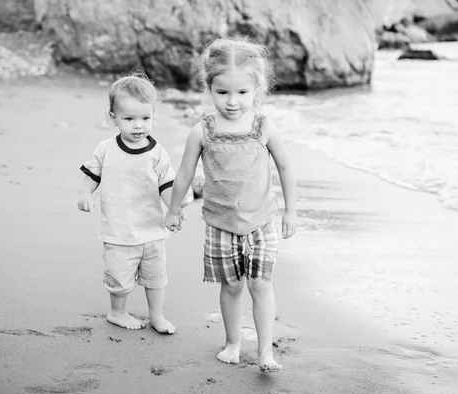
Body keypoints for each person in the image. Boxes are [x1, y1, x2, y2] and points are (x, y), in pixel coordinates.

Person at [164, 37, 298, 372]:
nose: (232, 101)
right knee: (232, 285)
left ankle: (266, 351)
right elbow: (183, 175)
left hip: (262, 222)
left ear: (257, 89)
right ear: (208, 88)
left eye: (242, 93)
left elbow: (285, 168)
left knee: (260, 285)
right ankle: (233, 342)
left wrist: (291, 211)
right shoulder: (203, 131)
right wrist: (174, 207)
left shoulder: (263, 127)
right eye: (222, 92)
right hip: (221, 225)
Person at [77, 73, 185, 334]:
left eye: (145, 118)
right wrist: (85, 193)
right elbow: (92, 175)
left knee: (155, 277)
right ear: (113, 118)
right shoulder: (105, 149)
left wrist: (174, 209)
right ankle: (117, 312)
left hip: (152, 229)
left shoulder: (157, 152)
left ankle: (157, 316)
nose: (139, 126)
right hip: (119, 230)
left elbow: (166, 185)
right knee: (119, 278)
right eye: (129, 119)